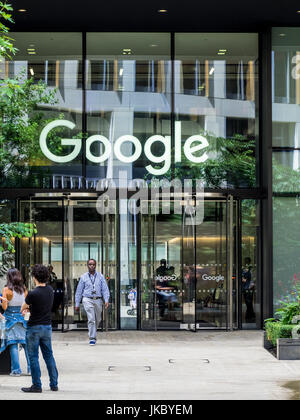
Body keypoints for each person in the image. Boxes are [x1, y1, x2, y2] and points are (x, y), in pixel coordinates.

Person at [20, 264, 58, 393]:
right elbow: (43, 307)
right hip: (47, 327)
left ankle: (37, 385)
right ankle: (54, 384)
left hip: (34, 328)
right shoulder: (50, 291)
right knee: (49, 355)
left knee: (33, 357)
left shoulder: (32, 293)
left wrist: (27, 309)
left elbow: (22, 308)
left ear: (34, 277)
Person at [0, 269, 31, 377]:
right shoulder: (24, 289)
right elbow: (26, 306)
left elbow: (4, 308)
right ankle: (30, 369)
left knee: (13, 344)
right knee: (26, 344)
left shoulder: (6, 289)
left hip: (10, 320)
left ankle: (16, 370)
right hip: (22, 320)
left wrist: (3, 300)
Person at [75, 259, 110, 345]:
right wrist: (77, 304)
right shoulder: (83, 277)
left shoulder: (101, 276)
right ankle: (92, 338)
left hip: (98, 299)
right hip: (87, 299)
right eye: (90, 264)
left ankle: (93, 332)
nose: (92, 266)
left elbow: (105, 289)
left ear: (95, 265)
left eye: (93, 264)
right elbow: (79, 291)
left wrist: (106, 300)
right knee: (91, 319)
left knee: (98, 319)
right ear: (87, 265)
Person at [241, 257, 255, 322]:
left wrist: (251, 284)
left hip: (249, 287)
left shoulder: (250, 269)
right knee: (248, 302)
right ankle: (251, 315)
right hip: (246, 287)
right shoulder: (244, 269)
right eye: (245, 261)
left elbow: (253, 278)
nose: (246, 262)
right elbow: (243, 278)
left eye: (247, 261)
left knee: (249, 302)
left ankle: (249, 315)